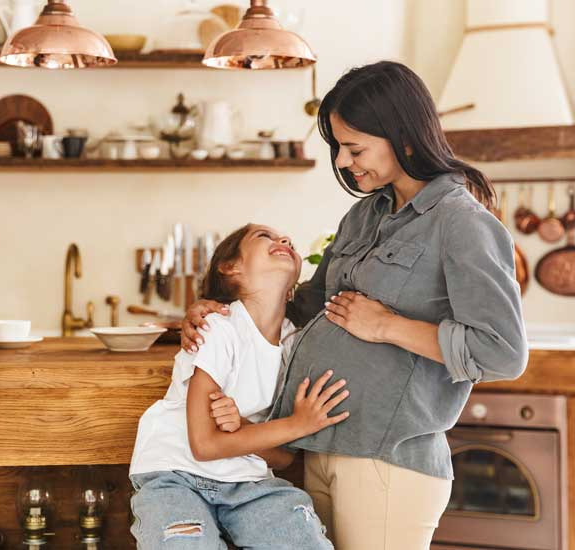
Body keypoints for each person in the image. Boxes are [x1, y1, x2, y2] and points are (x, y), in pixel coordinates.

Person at [181, 61, 528, 550]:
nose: (343, 161)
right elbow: (304, 307)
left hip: (386, 462)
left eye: (355, 147)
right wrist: (216, 307)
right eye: (339, 148)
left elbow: (503, 352)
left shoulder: (461, 223)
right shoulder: (364, 216)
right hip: (318, 448)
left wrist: (388, 326)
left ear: (404, 139)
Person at [129, 223, 348, 549]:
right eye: (265, 237)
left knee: (303, 539)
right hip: (176, 476)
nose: (284, 240)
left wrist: (245, 427)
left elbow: (282, 458)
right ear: (231, 267)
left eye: (287, 239)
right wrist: (297, 424)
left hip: (249, 483)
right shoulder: (218, 328)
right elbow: (204, 445)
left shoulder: (296, 346)